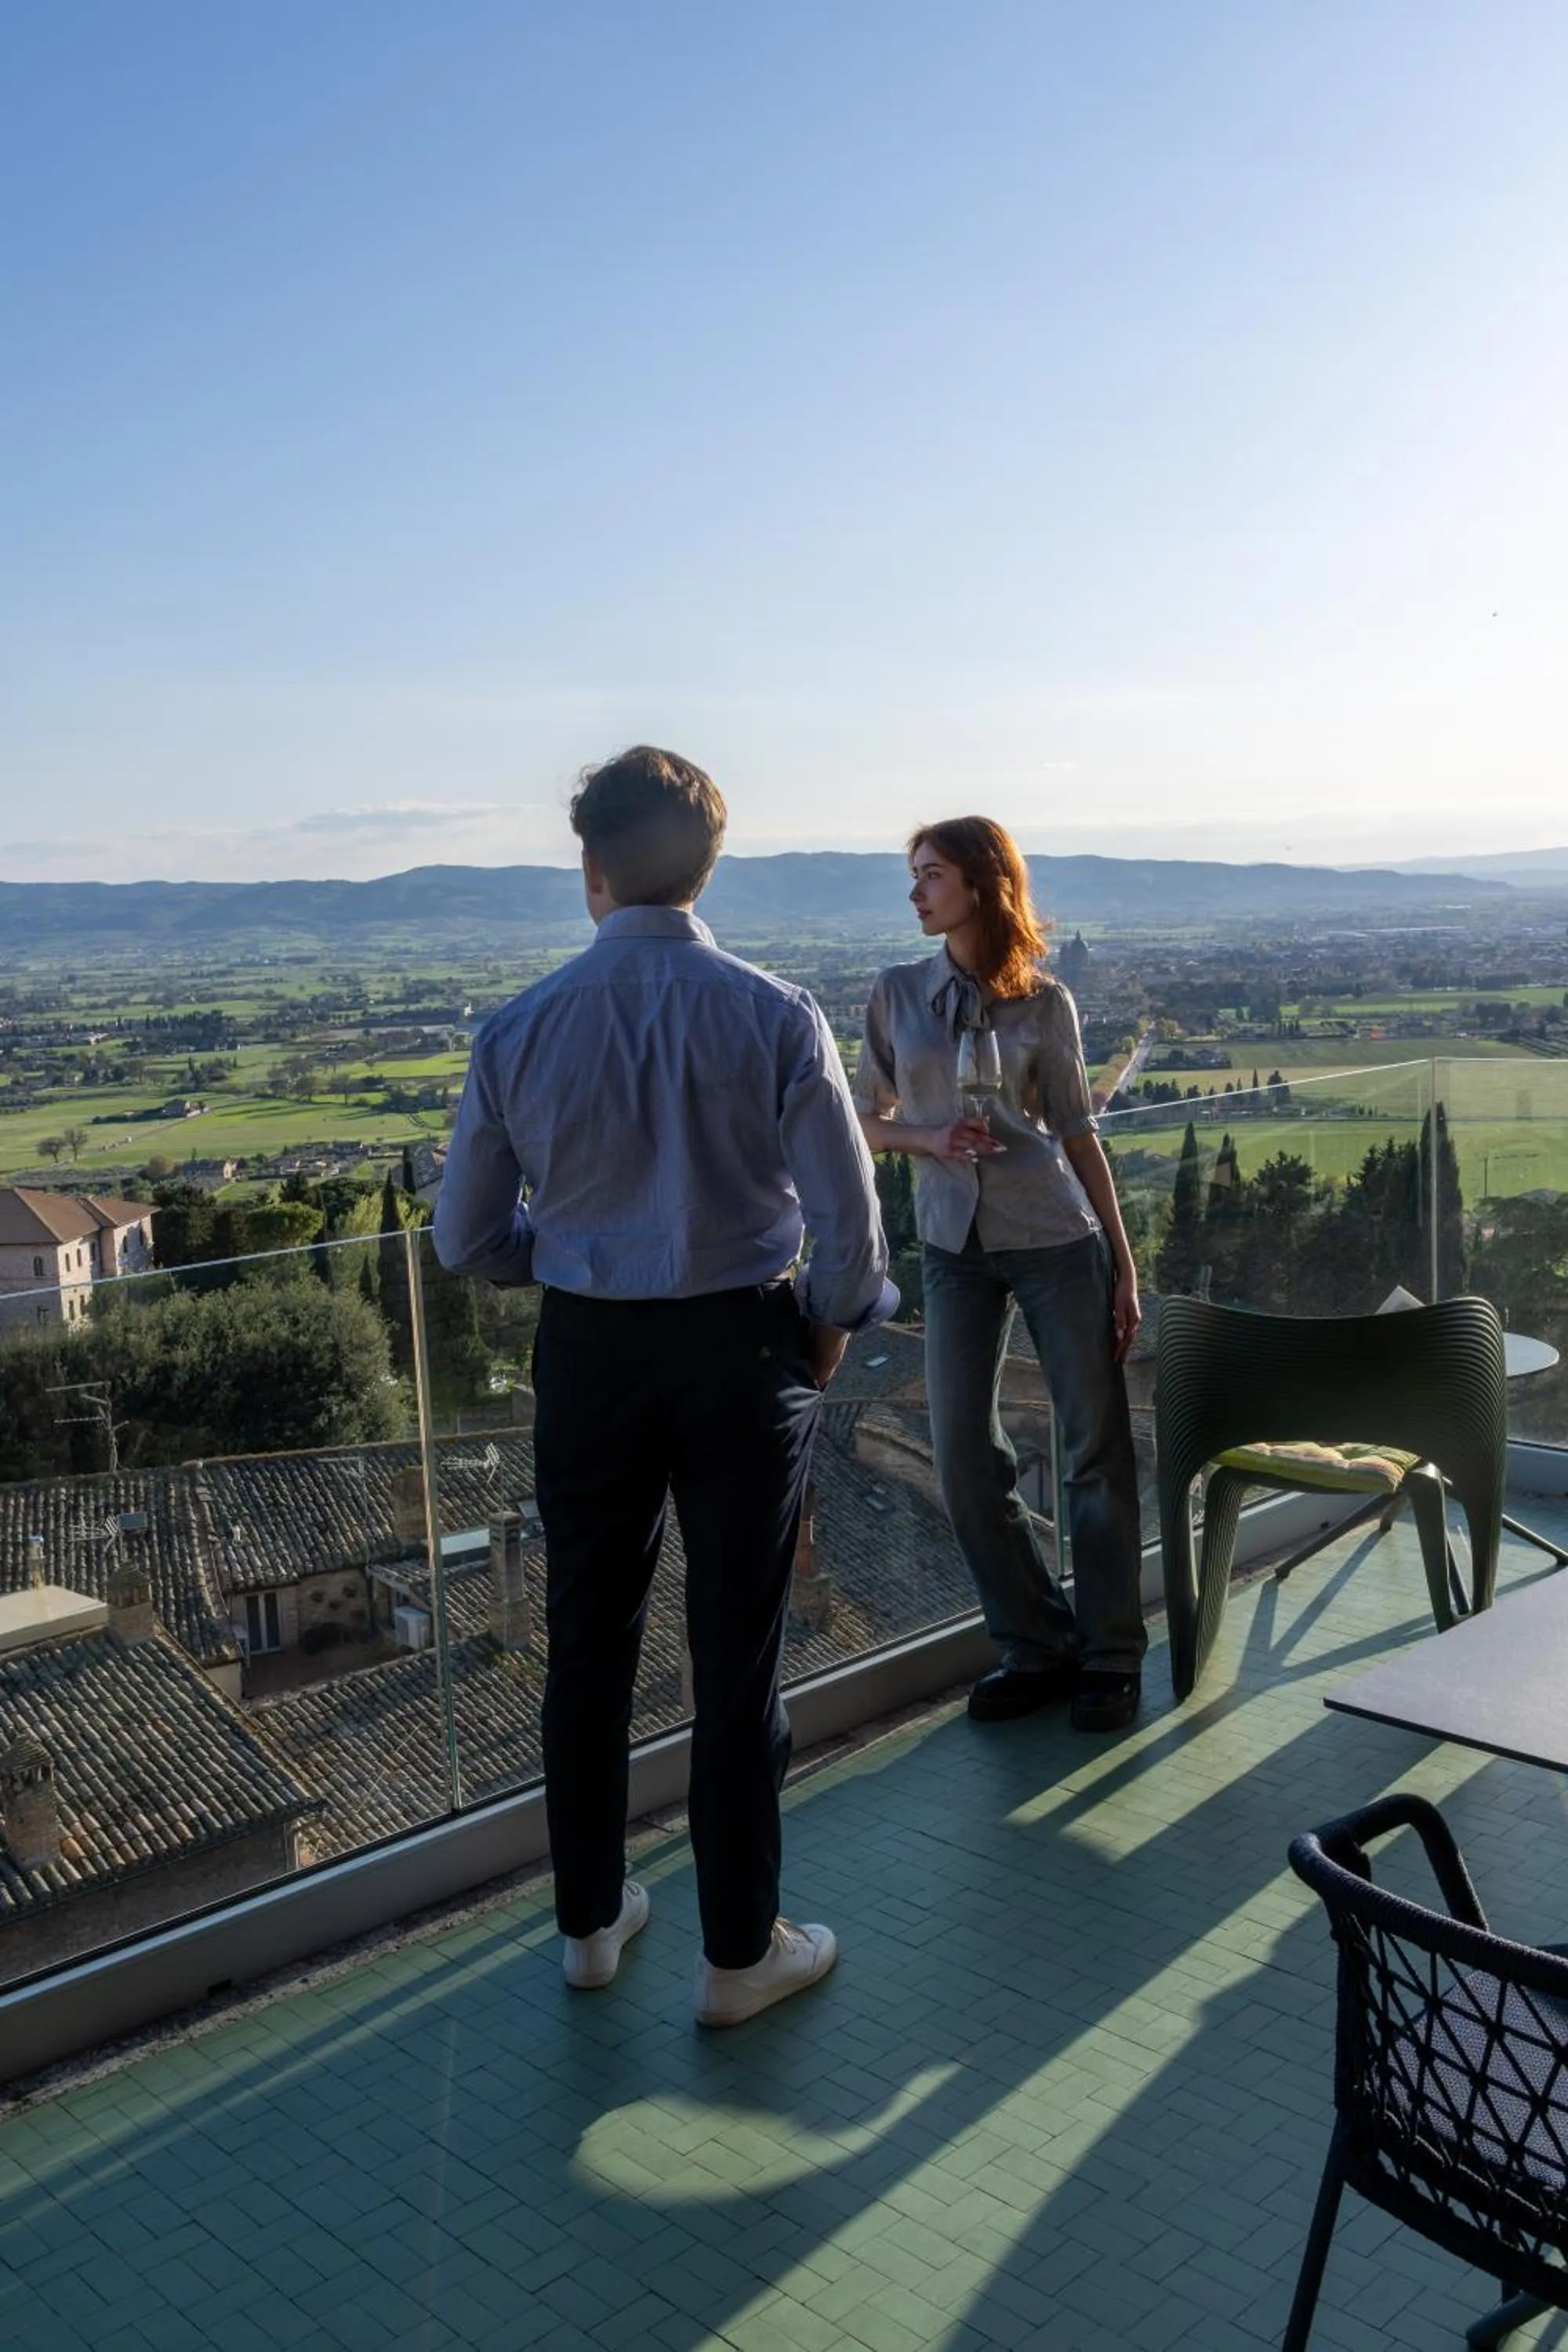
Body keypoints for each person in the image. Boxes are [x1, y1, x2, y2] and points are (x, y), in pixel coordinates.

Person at [434, 746, 894, 2025]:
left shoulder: (517, 1028)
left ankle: (590, 1924)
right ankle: (739, 1955)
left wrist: (572, 1262)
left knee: (585, 1643)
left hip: (588, 1351)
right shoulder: (777, 1013)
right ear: (708, 865)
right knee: (735, 1659)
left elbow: (464, 1238)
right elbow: (850, 1233)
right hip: (744, 1348)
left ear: (590, 870)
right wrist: (829, 1324)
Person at [853, 817, 1146, 1733]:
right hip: (951, 1247)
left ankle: (1108, 1653)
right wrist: (925, 1137)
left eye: (929, 875)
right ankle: (1034, 1640)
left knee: (1091, 1447)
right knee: (962, 1456)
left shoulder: (1044, 1004)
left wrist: (1122, 1263)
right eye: (913, 876)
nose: (913, 893)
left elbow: (1073, 1134)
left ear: (978, 884)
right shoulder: (896, 994)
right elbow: (862, 1119)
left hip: (1056, 1239)